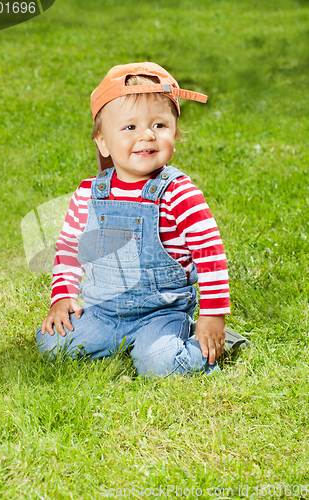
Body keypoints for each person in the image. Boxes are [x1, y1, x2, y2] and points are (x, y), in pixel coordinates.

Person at [37, 62, 246, 377]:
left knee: (158, 364)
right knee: (51, 344)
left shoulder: (178, 193)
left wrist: (213, 314)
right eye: (130, 127)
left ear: (175, 133)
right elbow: (70, 248)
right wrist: (63, 296)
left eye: (159, 125)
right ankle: (119, 340)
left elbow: (210, 254)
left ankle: (213, 346)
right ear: (103, 141)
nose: (147, 135)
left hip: (161, 314)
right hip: (104, 312)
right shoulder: (88, 194)